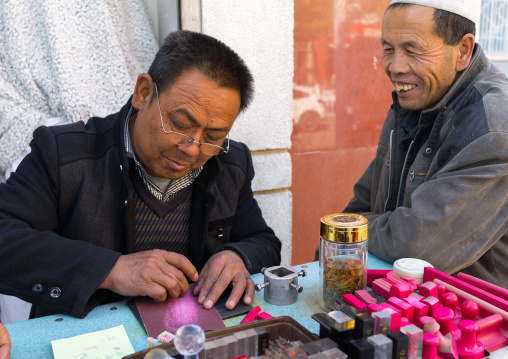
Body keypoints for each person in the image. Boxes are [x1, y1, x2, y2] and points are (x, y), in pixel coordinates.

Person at [0, 30, 281, 319]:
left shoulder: (230, 162)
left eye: (213, 135)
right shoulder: (64, 156)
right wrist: (110, 269)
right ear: (143, 93)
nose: (192, 148)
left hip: (186, 334)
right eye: (180, 124)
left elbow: (263, 241)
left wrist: (237, 256)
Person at [330, 0, 508, 288]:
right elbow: (363, 201)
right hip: (404, 302)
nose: (395, 67)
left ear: (462, 50)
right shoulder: (419, 97)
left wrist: (347, 233)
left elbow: (418, 245)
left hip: (473, 318)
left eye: (413, 50)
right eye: (388, 49)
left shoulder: (495, 126)